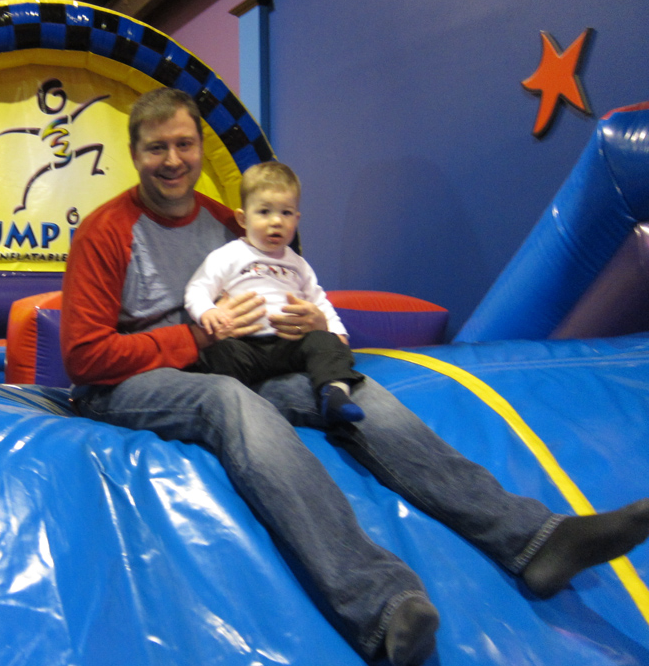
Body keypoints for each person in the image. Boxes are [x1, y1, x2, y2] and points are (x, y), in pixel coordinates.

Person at [59, 87, 649, 666]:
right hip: (134, 381)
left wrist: (312, 323)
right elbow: (84, 357)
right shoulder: (107, 231)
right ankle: (379, 603)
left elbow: (287, 285)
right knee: (228, 400)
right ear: (135, 155)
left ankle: (534, 539)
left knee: (350, 389)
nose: (173, 160)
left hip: (233, 359)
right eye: (156, 148)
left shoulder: (224, 221)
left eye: (183, 144)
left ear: (198, 147)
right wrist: (196, 338)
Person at [185, 160, 364, 426]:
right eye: (264, 212)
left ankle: (335, 393)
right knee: (221, 353)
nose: (276, 221)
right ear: (243, 218)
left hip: (289, 344)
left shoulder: (298, 264)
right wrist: (207, 311)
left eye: (286, 213)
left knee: (327, 343)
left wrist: (336, 333)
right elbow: (197, 289)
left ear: (297, 219)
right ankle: (233, 405)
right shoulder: (229, 255)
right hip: (246, 345)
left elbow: (319, 301)